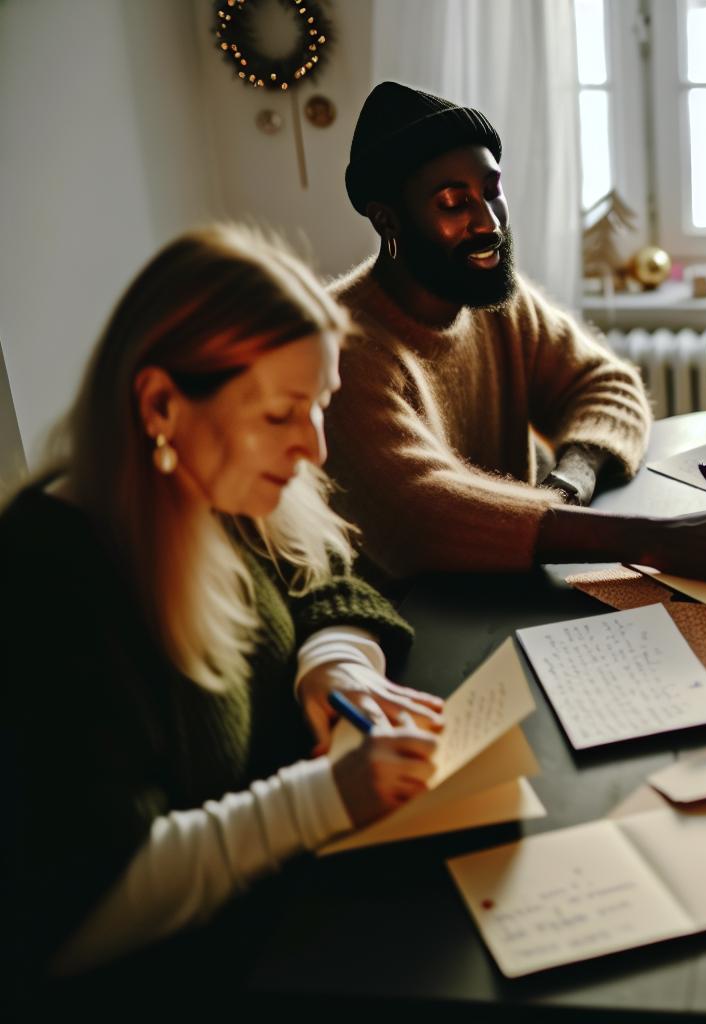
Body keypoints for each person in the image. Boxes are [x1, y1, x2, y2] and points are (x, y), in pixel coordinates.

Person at [2, 226, 450, 978]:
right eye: (280, 414)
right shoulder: (49, 581)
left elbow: (329, 585)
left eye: (319, 407)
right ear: (160, 405)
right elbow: (81, 907)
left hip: (287, 916)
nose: (315, 447)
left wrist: (336, 668)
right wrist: (318, 800)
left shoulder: (210, 490)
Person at [326, 82, 706, 582]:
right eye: (454, 203)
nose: (489, 223)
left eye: (492, 191)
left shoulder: (493, 299)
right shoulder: (341, 346)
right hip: (404, 623)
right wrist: (655, 540)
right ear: (387, 220)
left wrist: (571, 480)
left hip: (509, 587)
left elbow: (608, 384)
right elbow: (419, 516)